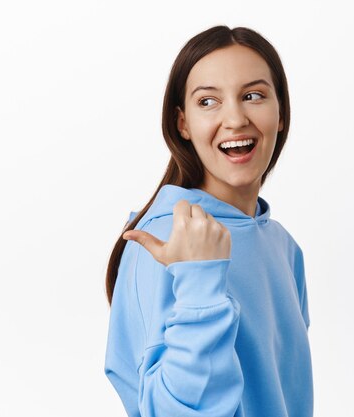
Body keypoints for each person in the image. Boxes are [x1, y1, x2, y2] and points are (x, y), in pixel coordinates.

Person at [104, 25, 313, 417]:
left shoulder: (283, 247)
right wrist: (200, 282)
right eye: (208, 102)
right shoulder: (167, 239)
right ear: (182, 123)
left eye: (253, 96)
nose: (235, 119)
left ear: (280, 113)